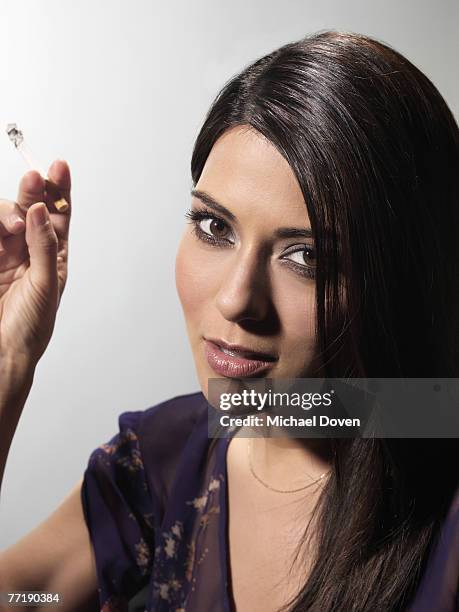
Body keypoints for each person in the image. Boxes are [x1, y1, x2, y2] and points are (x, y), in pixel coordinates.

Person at [0, 29, 458, 612]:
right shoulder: (161, 461)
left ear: (406, 277)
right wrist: (7, 364)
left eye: (308, 256)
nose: (237, 299)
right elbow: (20, 597)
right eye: (214, 227)